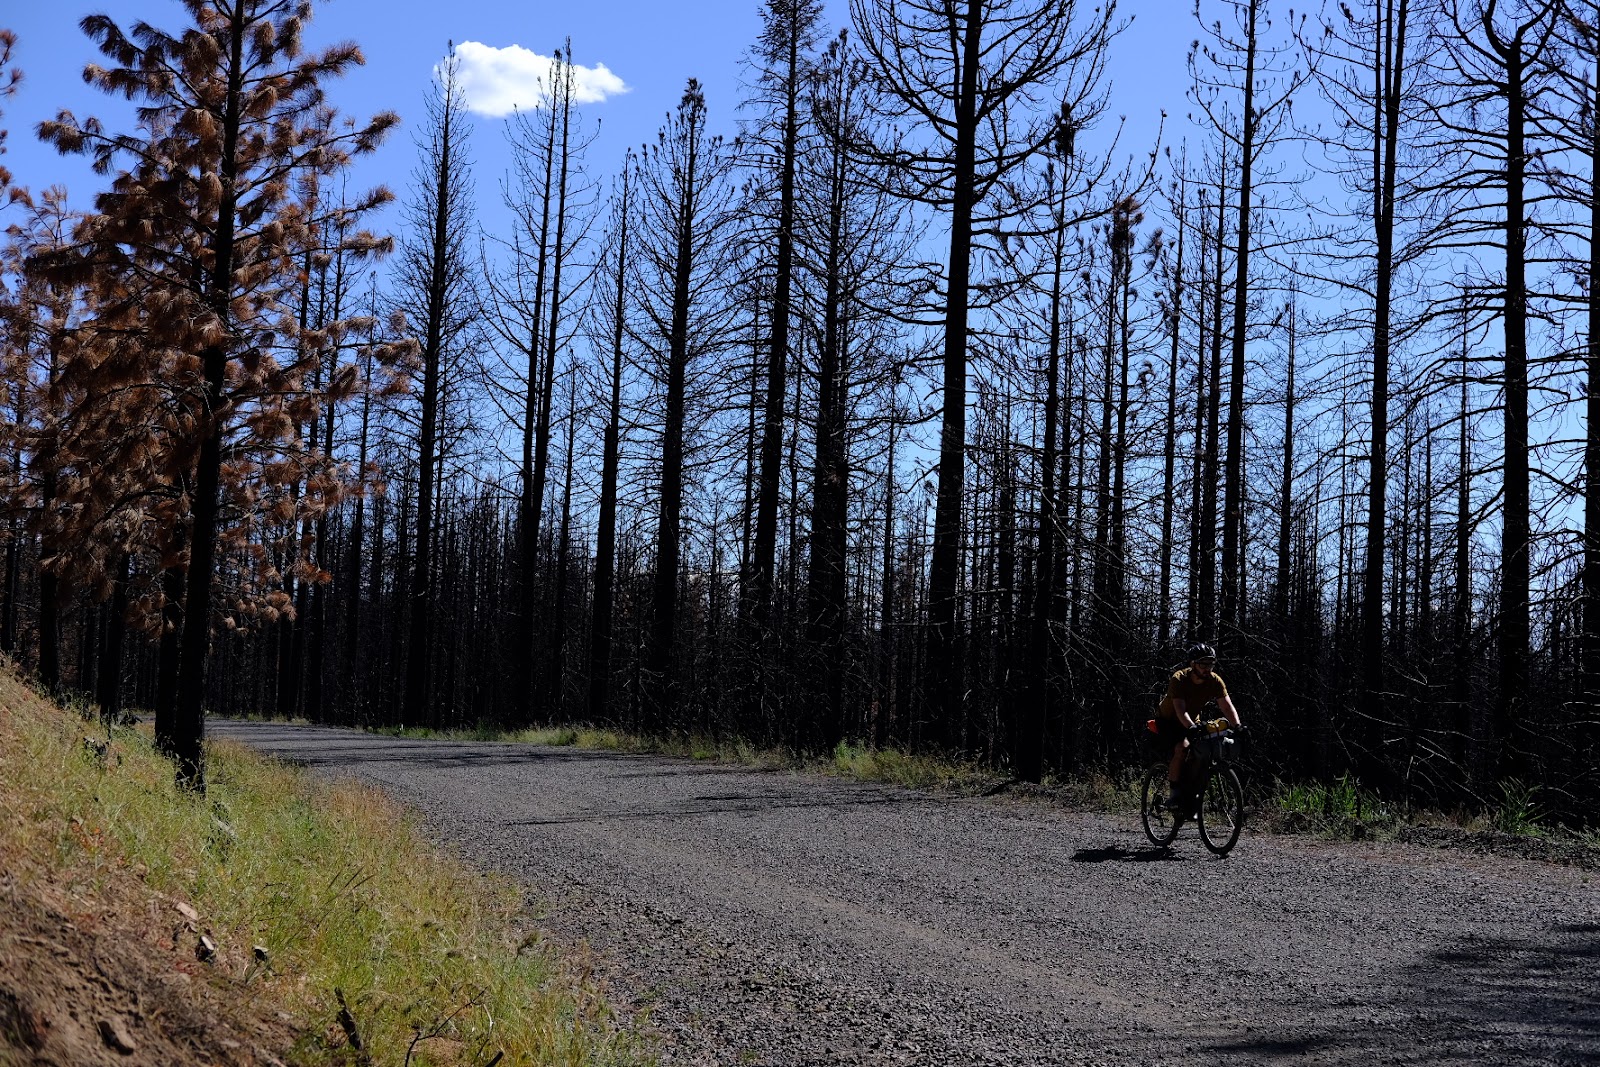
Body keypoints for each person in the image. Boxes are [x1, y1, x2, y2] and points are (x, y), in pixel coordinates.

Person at [1154, 643, 1244, 808]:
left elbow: (1226, 706)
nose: (1207, 668)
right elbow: (1180, 709)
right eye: (1203, 664)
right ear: (1192, 664)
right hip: (1168, 720)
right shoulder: (1179, 679)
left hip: (1191, 720)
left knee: (1203, 749)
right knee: (1182, 747)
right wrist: (1191, 727)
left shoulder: (1215, 681)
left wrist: (1238, 726)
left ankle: (1190, 791)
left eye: (1210, 664)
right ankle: (1174, 795)